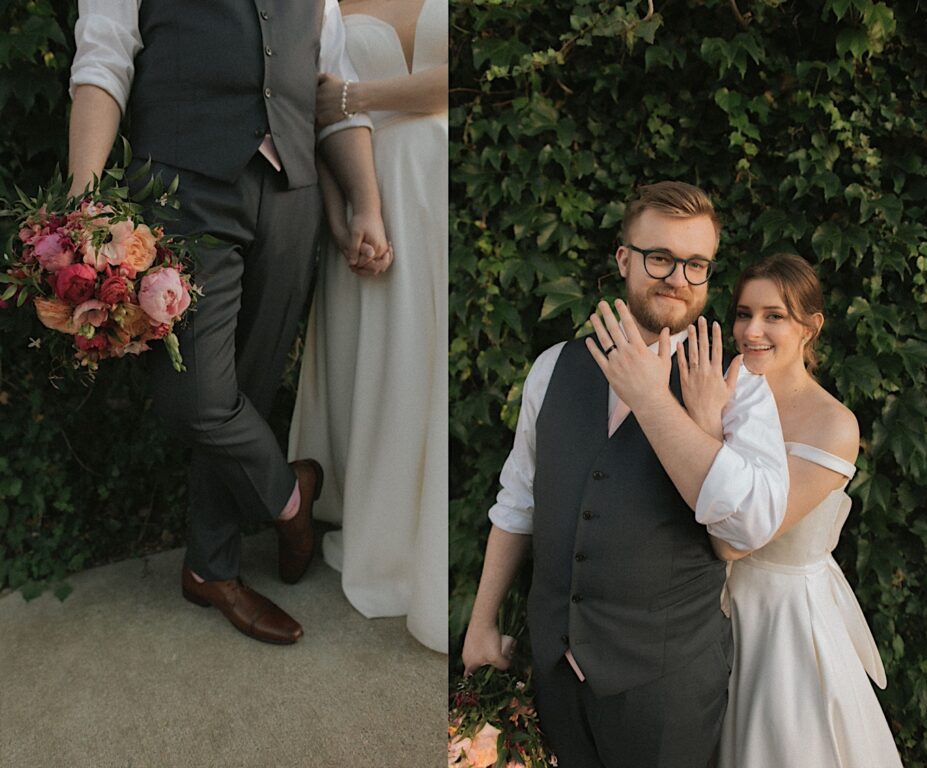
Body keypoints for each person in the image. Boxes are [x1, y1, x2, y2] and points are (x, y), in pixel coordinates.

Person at [67, 0, 390, 644]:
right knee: (196, 398)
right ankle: (289, 497)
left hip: (293, 197)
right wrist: (84, 204)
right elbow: (102, 63)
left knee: (253, 382)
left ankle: (210, 569)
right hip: (182, 191)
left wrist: (366, 202)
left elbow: (331, 95)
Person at [462, 181, 790, 767]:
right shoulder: (552, 368)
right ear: (624, 259)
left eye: (696, 264)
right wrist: (482, 622)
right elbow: (517, 504)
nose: (678, 278)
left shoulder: (739, 387)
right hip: (555, 671)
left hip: (666, 688)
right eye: (660, 257)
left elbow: (747, 530)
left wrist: (657, 404)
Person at [675, 254, 903, 767]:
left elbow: (735, 540)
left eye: (774, 316)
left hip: (784, 627)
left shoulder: (833, 425)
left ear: (810, 327)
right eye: (742, 313)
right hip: (702, 616)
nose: (751, 330)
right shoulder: (719, 387)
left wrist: (706, 432)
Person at [289, 0, 448, 653]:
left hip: (439, 183)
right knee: (392, 368)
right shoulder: (324, 4)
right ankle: (382, 522)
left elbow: (464, 82)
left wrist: (359, 94)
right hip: (372, 193)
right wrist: (339, 212)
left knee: (438, 361)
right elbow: (312, 115)